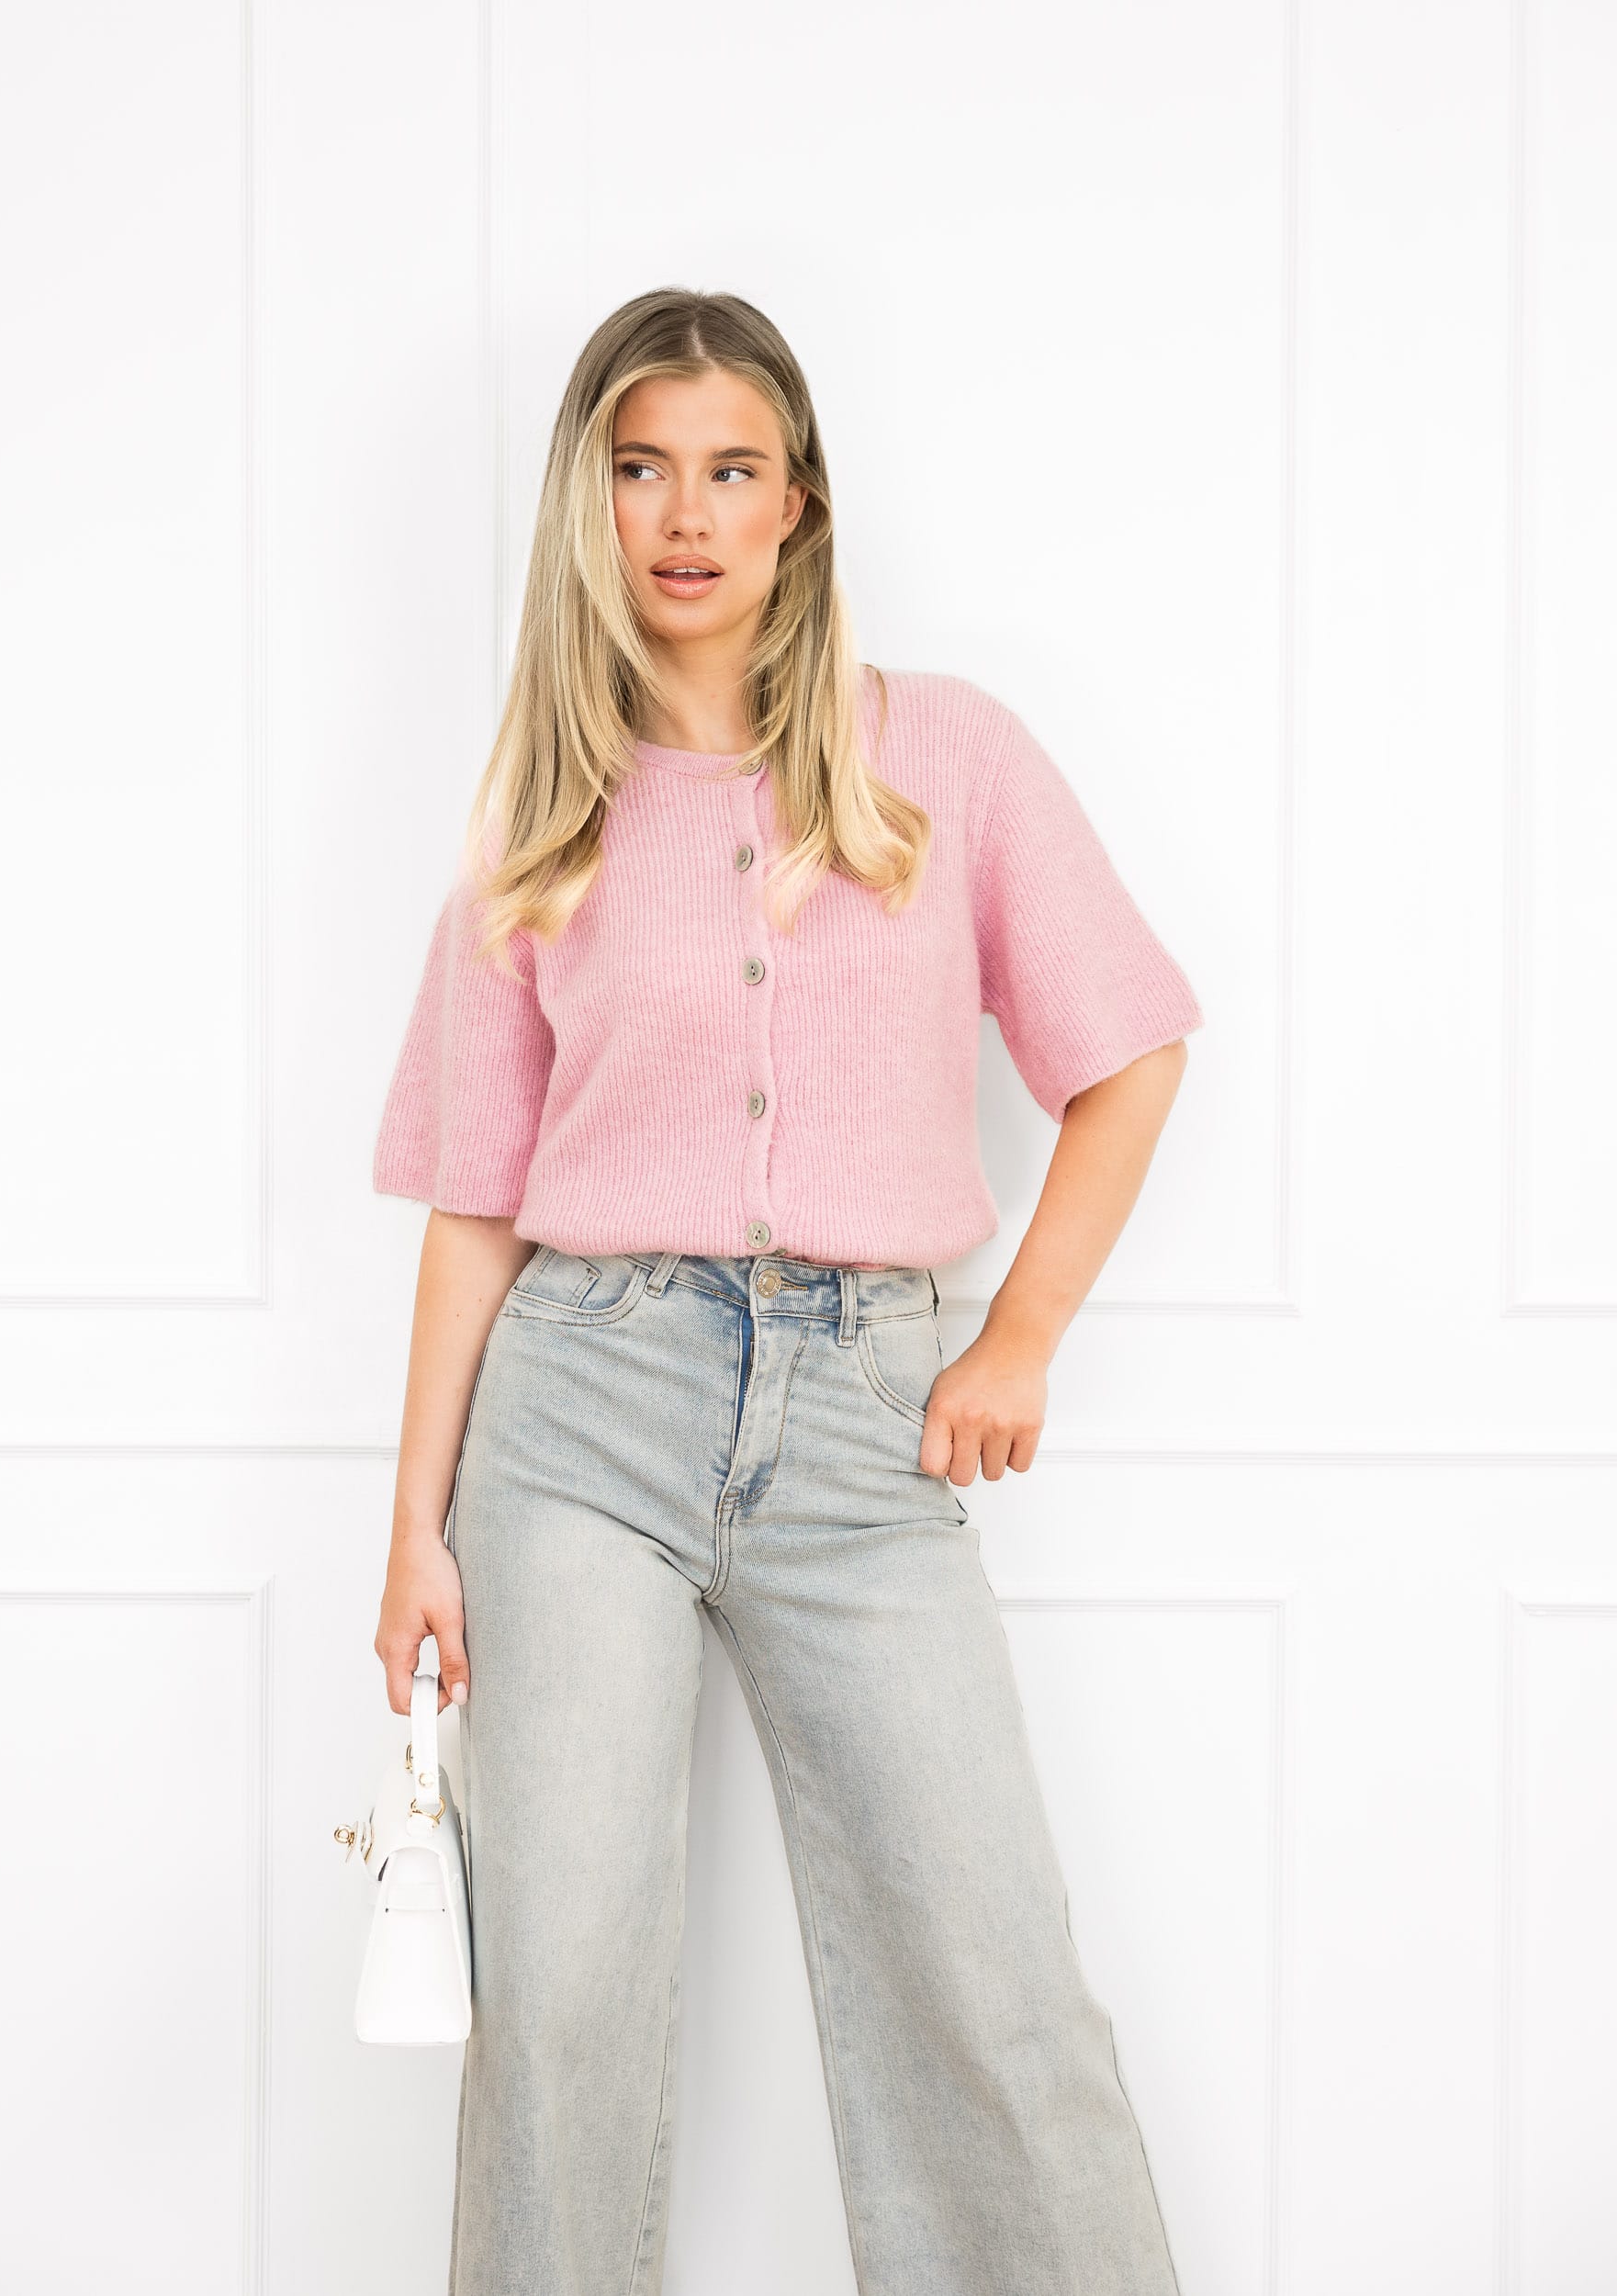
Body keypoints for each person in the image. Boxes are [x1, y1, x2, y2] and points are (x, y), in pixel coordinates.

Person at [371, 286, 1202, 2296]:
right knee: (558, 1997)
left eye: (732, 469)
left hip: (863, 1425)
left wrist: (1019, 1336)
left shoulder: (947, 758)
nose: (687, 515)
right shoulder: (539, 820)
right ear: (588, 502)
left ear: (798, 501)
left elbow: (1130, 1052)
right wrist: (413, 1525)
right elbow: (475, 1206)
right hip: (576, 1422)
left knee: (990, 1976)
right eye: (643, 468)